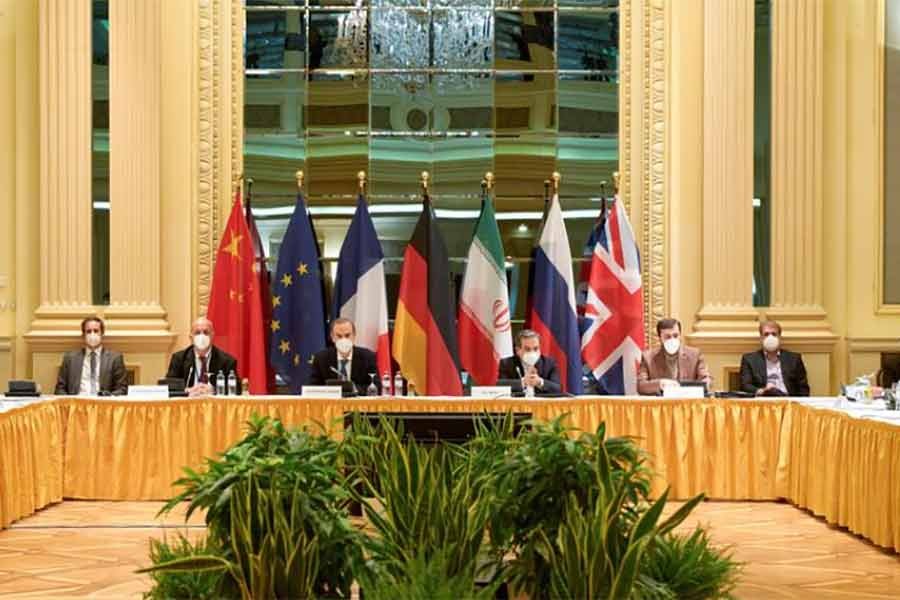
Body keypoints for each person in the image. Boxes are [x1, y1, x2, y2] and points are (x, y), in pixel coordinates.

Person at [55, 316, 128, 396]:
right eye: (88, 331)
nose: (92, 334)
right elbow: (59, 389)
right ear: (83, 335)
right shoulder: (70, 358)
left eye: (96, 331)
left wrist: (108, 397)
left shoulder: (115, 358)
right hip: (77, 404)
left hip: (103, 404)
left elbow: (122, 389)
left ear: (102, 333)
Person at [165, 317, 238, 397]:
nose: (202, 336)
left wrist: (215, 390)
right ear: (191, 337)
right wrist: (186, 391)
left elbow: (237, 389)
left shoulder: (227, 361)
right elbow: (169, 387)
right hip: (188, 405)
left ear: (212, 335)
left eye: (206, 332)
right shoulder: (179, 359)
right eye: (197, 332)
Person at [638, 318, 711, 395]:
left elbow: (706, 379)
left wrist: (702, 386)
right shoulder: (648, 357)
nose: (672, 339)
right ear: (660, 338)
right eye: (667, 337)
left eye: (675, 336)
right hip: (661, 404)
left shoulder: (695, 354)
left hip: (687, 402)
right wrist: (660, 383)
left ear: (680, 335)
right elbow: (640, 385)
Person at [307, 318, 380, 394]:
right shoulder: (321, 358)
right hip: (331, 404)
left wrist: (352, 389)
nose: (343, 339)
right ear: (332, 337)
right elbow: (313, 388)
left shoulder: (368, 357)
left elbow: (377, 387)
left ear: (354, 336)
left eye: (347, 335)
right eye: (339, 336)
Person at [740, 320, 810, 397]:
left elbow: (803, 388)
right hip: (762, 401)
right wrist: (762, 391)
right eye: (766, 334)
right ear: (761, 338)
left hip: (788, 402)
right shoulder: (749, 359)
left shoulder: (794, 359)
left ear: (779, 337)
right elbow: (745, 386)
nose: (770, 338)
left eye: (774, 334)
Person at [497, 329, 562, 395]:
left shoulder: (549, 364)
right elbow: (499, 385)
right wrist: (523, 382)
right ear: (517, 350)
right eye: (527, 349)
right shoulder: (506, 364)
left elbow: (558, 388)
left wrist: (539, 382)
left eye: (536, 348)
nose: (532, 352)